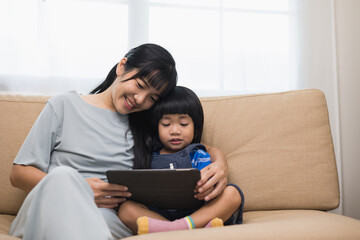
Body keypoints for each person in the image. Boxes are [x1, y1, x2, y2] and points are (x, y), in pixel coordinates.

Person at [8, 43, 228, 240]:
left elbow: (184, 147)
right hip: (49, 208)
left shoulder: (145, 127)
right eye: (140, 85)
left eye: (152, 98)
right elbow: (19, 173)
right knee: (64, 177)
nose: (141, 99)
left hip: (104, 221)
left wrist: (220, 162)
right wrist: (80, 189)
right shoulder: (64, 105)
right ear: (122, 66)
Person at [118, 86, 244, 235]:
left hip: (197, 211)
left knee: (233, 193)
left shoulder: (198, 153)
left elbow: (213, 182)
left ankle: (174, 230)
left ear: (195, 128)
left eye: (183, 124)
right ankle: (189, 229)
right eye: (166, 124)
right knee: (125, 209)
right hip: (159, 214)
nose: (175, 131)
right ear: (156, 127)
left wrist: (208, 185)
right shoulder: (148, 155)